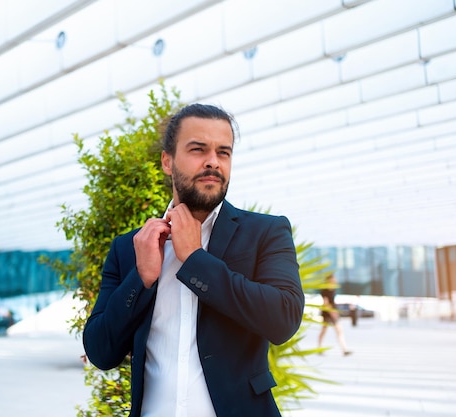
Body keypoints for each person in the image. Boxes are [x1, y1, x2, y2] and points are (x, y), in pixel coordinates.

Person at [83, 103, 305, 417]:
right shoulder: (129, 247)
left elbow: (283, 320)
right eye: (198, 149)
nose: (213, 162)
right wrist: (142, 277)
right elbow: (100, 352)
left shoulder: (266, 232)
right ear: (167, 161)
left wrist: (195, 260)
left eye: (223, 152)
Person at [317, 274, 352, 356]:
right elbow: (326, 303)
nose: (335, 280)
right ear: (329, 279)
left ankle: (344, 349)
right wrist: (332, 313)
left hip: (333, 311)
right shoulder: (325, 290)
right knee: (324, 331)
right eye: (333, 278)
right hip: (327, 312)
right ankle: (319, 348)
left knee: (339, 330)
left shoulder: (333, 289)